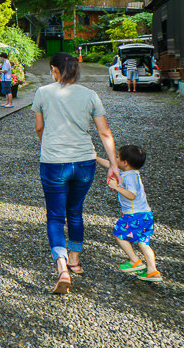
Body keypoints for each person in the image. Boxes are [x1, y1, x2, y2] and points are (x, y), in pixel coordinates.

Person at [33, 51, 121, 294]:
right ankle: (75, 260)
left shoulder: (43, 92)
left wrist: (48, 144)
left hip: (53, 162)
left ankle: (62, 268)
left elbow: (39, 128)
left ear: (54, 70)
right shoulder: (90, 95)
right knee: (75, 211)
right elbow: (104, 133)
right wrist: (113, 165)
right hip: (84, 162)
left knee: (55, 216)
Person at [96, 145, 162, 282]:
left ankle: (135, 261)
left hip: (134, 214)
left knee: (119, 233)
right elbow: (110, 164)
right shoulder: (130, 171)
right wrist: (94, 158)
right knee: (143, 243)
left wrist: (116, 187)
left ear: (125, 162)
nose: (115, 159)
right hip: (146, 214)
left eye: (118, 157)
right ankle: (152, 271)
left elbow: (132, 195)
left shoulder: (129, 177)